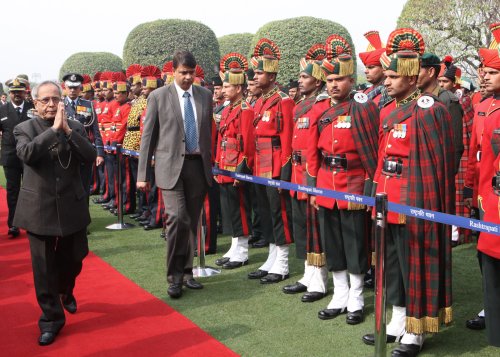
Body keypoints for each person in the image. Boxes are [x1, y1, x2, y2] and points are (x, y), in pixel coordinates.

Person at [362, 28, 455, 357]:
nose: (385, 82)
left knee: (415, 263)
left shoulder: (430, 110)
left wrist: (426, 205)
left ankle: (416, 332)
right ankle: (398, 320)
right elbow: (380, 158)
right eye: (384, 76)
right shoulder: (386, 111)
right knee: (393, 264)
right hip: (387, 196)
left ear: (411, 77)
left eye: (391, 76)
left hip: (415, 199)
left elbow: (436, 166)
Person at [13, 80, 96, 346]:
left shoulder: (77, 127)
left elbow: (90, 155)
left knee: (75, 256)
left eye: (55, 99)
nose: (51, 104)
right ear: (34, 103)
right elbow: (27, 153)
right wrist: (54, 130)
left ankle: (65, 289)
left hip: (72, 205)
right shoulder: (23, 128)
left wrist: (69, 132)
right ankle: (51, 320)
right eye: (45, 100)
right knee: (44, 268)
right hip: (39, 209)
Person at [308, 35, 379, 324]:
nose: (333, 85)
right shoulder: (319, 109)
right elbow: (312, 152)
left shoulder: (363, 107)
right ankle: (339, 295)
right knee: (333, 242)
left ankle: (357, 298)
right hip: (326, 181)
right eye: (329, 80)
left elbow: (371, 153)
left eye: (339, 79)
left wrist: (367, 190)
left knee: (355, 242)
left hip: (353, 183)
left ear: (351, 80)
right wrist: (311, 188)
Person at [137, 50, 213, 299]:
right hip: (169, 169)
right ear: (173, 72)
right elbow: (148, 136)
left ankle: (188, 272)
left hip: (196, 168)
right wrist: (143, 174)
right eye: (183, 72)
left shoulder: (205, 96)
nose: (188, 77)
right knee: (177, 219)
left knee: (191, 222)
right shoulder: (159, 97)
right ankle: (174, 276)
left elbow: (207, 135)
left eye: (191, 72)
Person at [282, 43, 330, 303]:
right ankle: (307, 273)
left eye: (304, 76)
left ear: (318, 79)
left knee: (315, 227)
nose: (300, 81)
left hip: (313, 174)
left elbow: (318, 147)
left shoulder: (322, 105)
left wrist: (313, 181)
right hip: (298, 172)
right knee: (301, 225)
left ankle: (320, 279)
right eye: (300, 77)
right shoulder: (301, 104)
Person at [246, 38, 295, 284]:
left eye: (259, 72)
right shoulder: (260, 101)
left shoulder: (283, 101)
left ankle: (283, 262)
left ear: (272, 75)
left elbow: (287, 140)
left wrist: (285, 171)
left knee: (279, 213)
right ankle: (272, 257)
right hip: (261, 164)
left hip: (276, 165)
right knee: (265, 212)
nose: (255, 77)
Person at [214, 53, 255, 269]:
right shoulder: (228, 108)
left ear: (239, 88)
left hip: (236, 165)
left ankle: (242, 251)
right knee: (230, 209)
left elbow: (247, 143)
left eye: (228, 87)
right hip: (224, 163)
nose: (223, 90)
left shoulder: (245, 110)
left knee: (240, 209)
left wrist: (242, 170)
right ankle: (234, 247)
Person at [473, 22, 500, 346]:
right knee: (490, 268)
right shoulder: (489, 111)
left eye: (493, 71)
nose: (485, 76)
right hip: (491, 202)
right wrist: (477, 197)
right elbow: (481, 163)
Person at [0, 76, 34, 237]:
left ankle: (31, 223)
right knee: (13, 191)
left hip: (30, 155)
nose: (16, 94)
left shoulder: (33, 108)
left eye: (19, 91)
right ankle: (13, 224)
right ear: (9, 93)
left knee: (31, 190)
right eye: (13, 92)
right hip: (10, 157)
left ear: (24, 91)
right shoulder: (2, 109)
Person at [62, 73, 104, 197]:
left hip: (84, 151)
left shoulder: (88, 105)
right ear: (65, 88)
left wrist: (100, 153)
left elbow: (95, 130)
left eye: (75, 87)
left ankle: (84, 216)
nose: (72, 90)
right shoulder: (59, 105)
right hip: (66, 151)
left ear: (80, 88)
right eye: (70, 87)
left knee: (84, 188)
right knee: (67, 189)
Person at [358, 30, 391, 108]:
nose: (366, 71)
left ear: (384, 68)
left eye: (371, 67)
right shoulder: (365, 91)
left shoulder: (389, 92)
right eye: (366, 67)